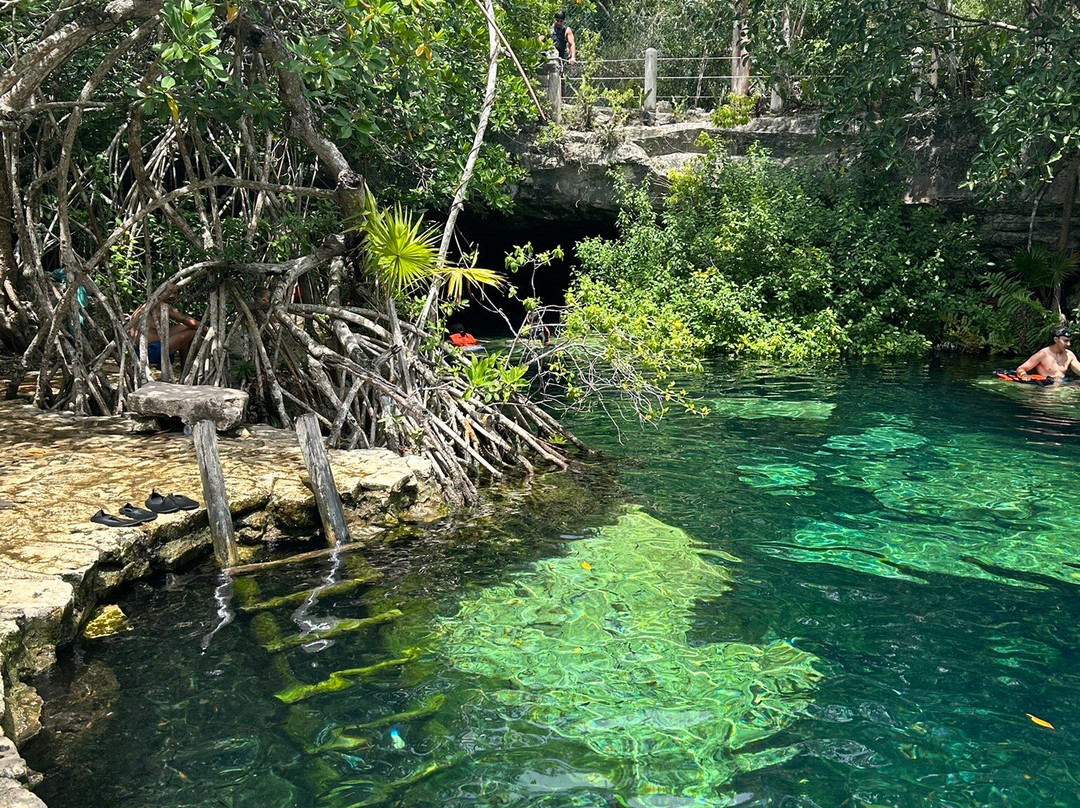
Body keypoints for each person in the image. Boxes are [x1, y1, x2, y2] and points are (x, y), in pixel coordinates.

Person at [128, 282, 200, 366]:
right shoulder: (160, 306)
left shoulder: (143, 306)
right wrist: (207, 329)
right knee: (193, 333)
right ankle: (200, 362)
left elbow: (187, 323)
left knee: (184, 328)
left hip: (142, 349)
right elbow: (185, 320)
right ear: (160, 292)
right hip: (148, 352)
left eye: (173, 293)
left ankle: (185, 372)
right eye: (169, 292)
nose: (172, 296)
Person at [1015, 324, 1080, 381]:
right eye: (1065, 341)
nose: (1069, 344)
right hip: (1047, 386)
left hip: (1064, 383)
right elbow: (1020, 368)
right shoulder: (1043, 354)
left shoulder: (1069, 355)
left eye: (1069, 341)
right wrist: (1024, 375)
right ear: (1056, 339)